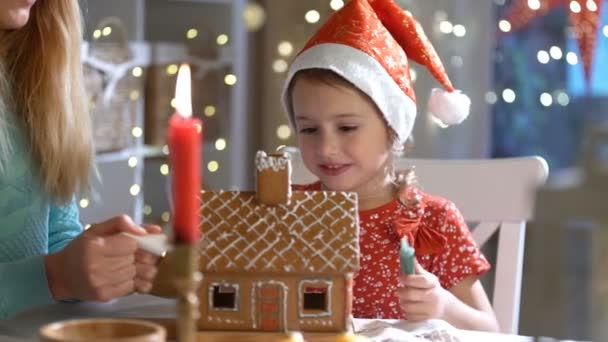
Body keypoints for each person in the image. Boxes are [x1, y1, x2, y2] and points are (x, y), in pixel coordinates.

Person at [282, 0, 499, 332]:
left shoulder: (434, 221)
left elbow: (490, 332)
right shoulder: (289, 211)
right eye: (309, 129)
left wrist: (443, 305)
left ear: (393, 128)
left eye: (347, 128)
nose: (325, 147)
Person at [0, 0, 160, 319]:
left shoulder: (30, 74)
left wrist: (96, 264)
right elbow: (48, 274)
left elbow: (54, 237)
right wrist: (55, 277)